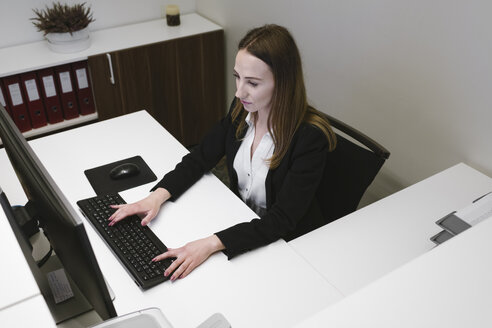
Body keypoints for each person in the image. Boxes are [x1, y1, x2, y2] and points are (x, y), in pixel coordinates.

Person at [108, 24, 337, 281]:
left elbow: (282, 219)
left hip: (286, 245)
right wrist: (156, 197)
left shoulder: (309, 138)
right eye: (237, 77)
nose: (239, 92)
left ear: (283, 82)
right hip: (241, 221)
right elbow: (200, 157)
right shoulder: (242, 110)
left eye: (252, 83)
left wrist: (210, 244)